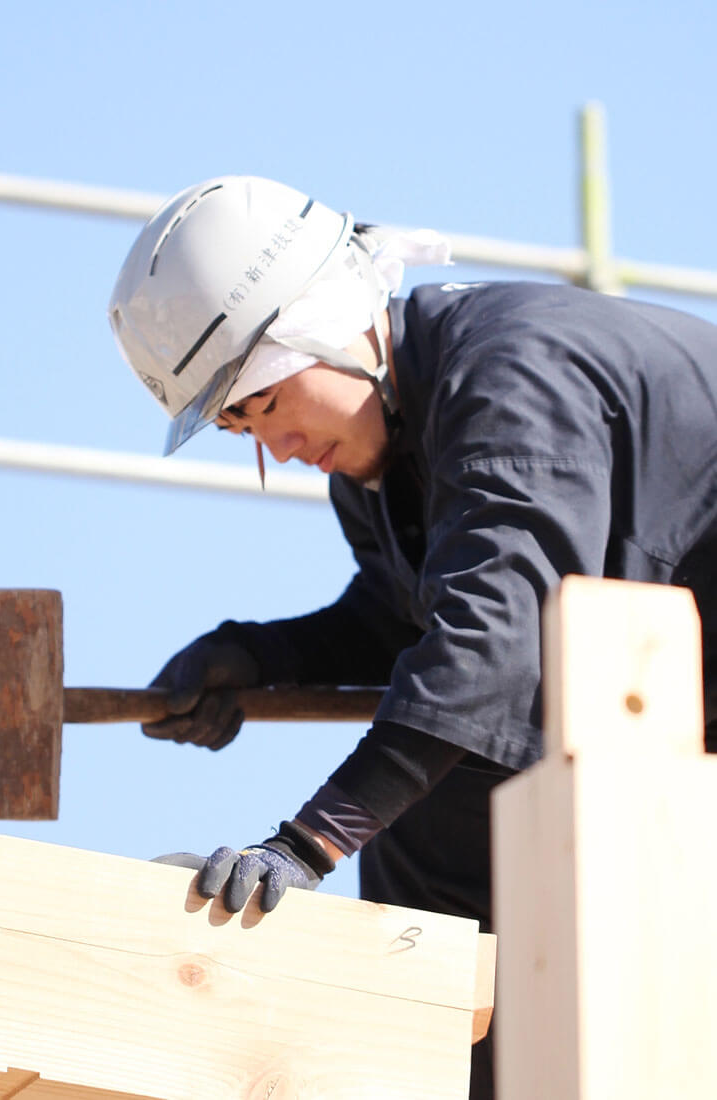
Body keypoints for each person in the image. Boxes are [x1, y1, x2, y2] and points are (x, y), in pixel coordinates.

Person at [108, 175, 717, 1100]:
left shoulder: (510, 379)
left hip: (676, 712)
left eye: (265, 403)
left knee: (435, 807)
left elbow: (487, 646)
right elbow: (406, 621)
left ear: (327, 325)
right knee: (441, 823)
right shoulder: (382, 460)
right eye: (239, 426)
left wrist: (306, 845)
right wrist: (262, 658)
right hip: (671, 701)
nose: (273, 447)